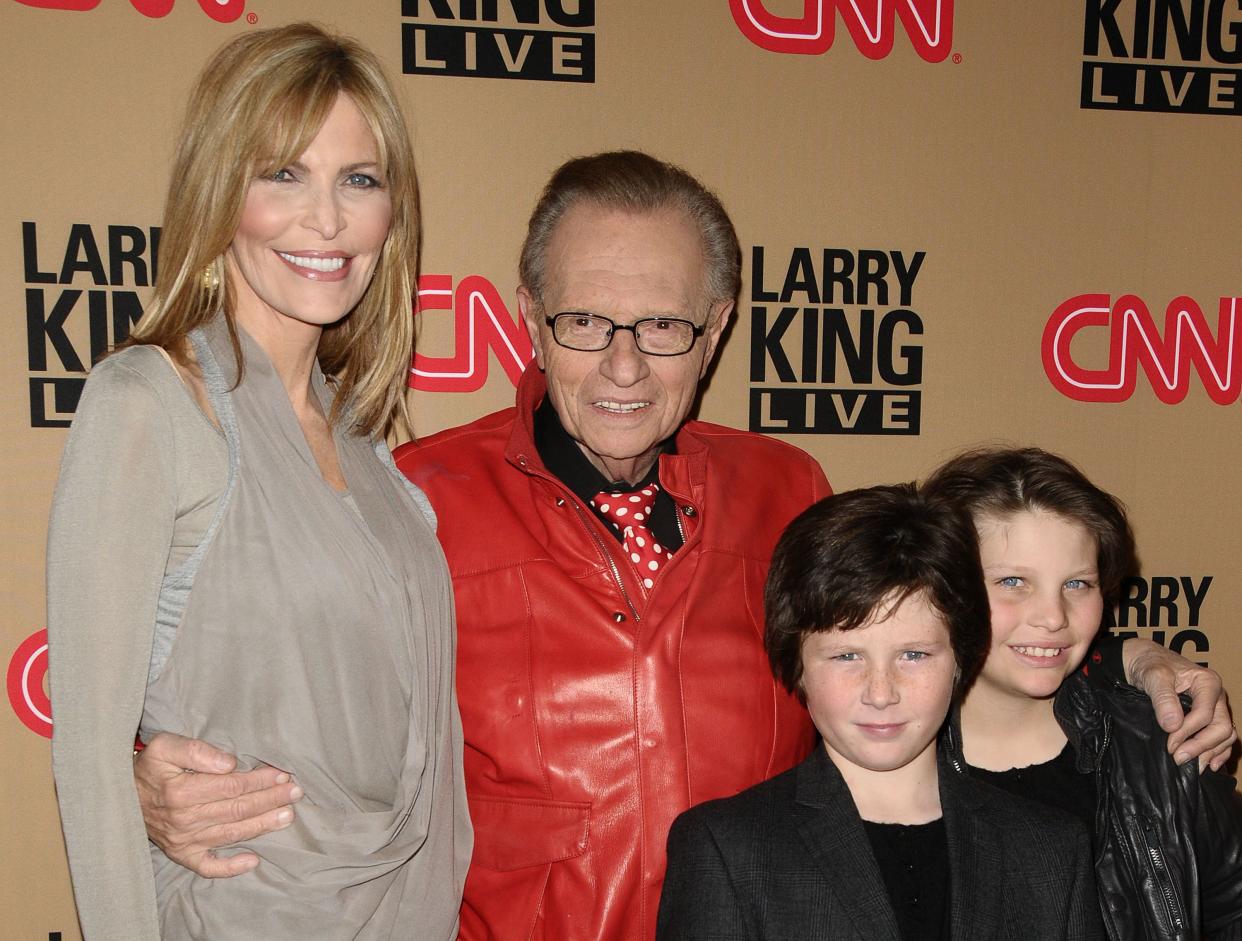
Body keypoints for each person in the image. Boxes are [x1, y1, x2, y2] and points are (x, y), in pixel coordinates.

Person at [129, 152, 1236, 940]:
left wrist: (1131, 664)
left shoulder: (788, 487)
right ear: (528, 314)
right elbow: (277, 687)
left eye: (662, 327)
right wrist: (150, 774)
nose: (622, 365)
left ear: (713, 329)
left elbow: (939, 617)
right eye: (584, 322)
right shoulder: (416, 495)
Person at [47, 24, 470, 941]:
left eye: (358, 180)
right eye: (282, 174)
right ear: (219, 190)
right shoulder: (149, 404)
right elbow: (87, 753)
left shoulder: (373, 454)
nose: (325, 219)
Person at [657, 484, 1104, 940]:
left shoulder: (1049, 849)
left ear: (961, 659)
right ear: (798, 666)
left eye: (914, 655)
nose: (881, 692)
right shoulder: (729, 849)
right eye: (846, 657)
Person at [924, 447, 1242, 940]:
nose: (1053, 617)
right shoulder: (888, 757)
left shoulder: (1158, 743)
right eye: (1012, 581)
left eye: (1077, 583)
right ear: (943, 589)